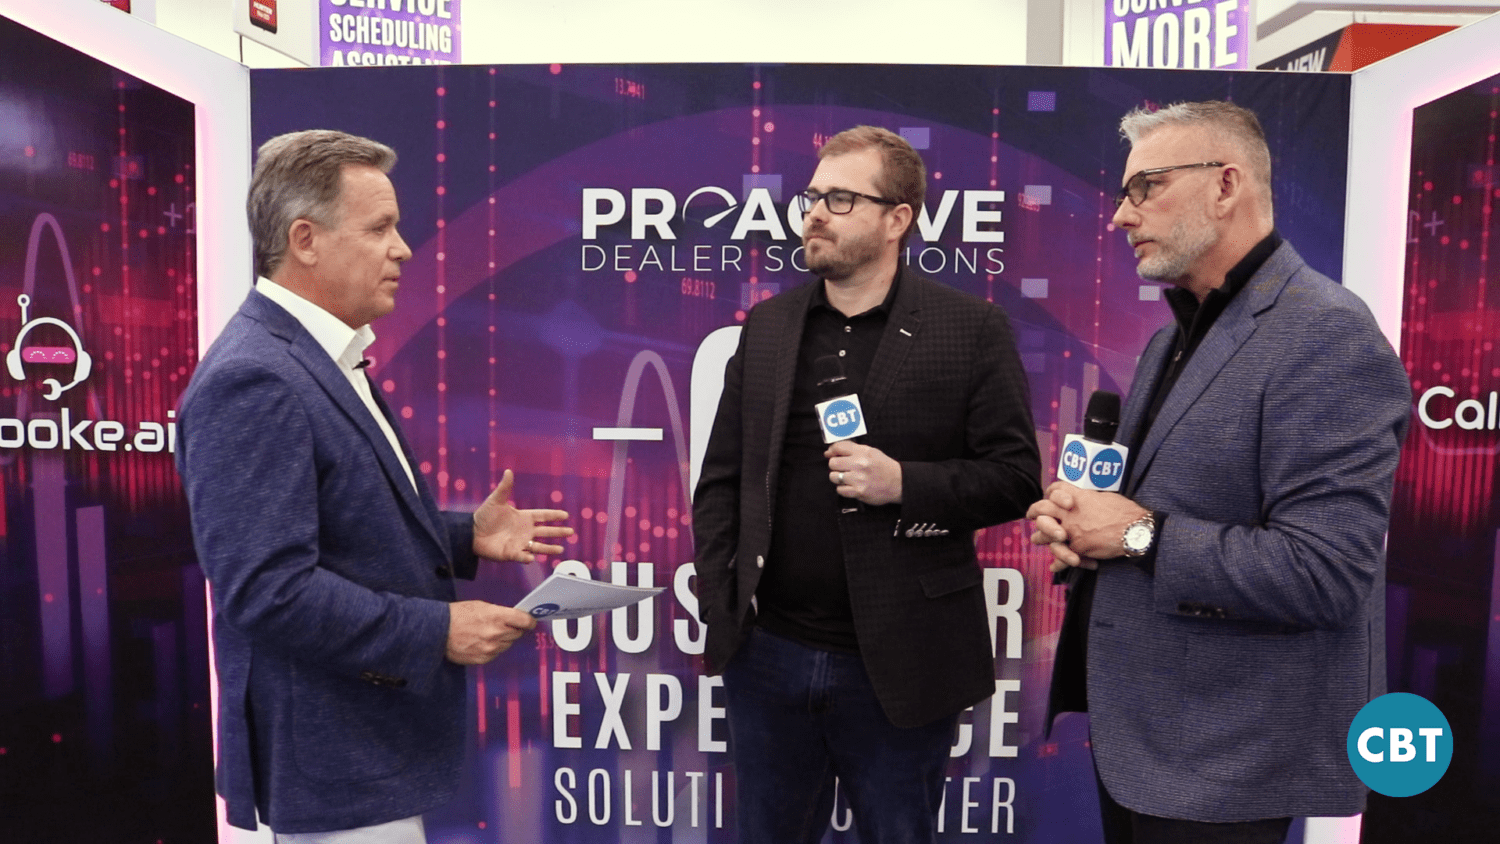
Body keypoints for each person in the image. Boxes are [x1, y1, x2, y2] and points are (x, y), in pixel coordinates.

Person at [1030, 101, 1411, 843]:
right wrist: (1086, 530)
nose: (1121, 214)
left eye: (1145, 187)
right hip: (1143, 740)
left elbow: (1327, 571)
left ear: (1225, 185)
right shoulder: (1172, 338)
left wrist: (1137, 534)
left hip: (1225, 759)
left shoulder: (1327, 333)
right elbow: (1144, 513)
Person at [176, 130, 572, 842]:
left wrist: (464, 536)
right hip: (334, 761)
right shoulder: (255, 377)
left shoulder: (320, 358)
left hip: (368, 748)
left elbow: (334, 523)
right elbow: (268, 590)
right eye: (380, 228)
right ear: (305, 240)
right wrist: (438, 630)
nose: (403, 249)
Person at [692, 125, 1041, 843]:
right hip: (769, 656)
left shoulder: (970, 328)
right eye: (813, 197)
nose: (816, 213)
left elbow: (1013, 479)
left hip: (904, 662)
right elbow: (723, 477)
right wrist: (725, 599)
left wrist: (903, 483)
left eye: (841, 199)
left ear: (897, 218)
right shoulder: (769, 325)